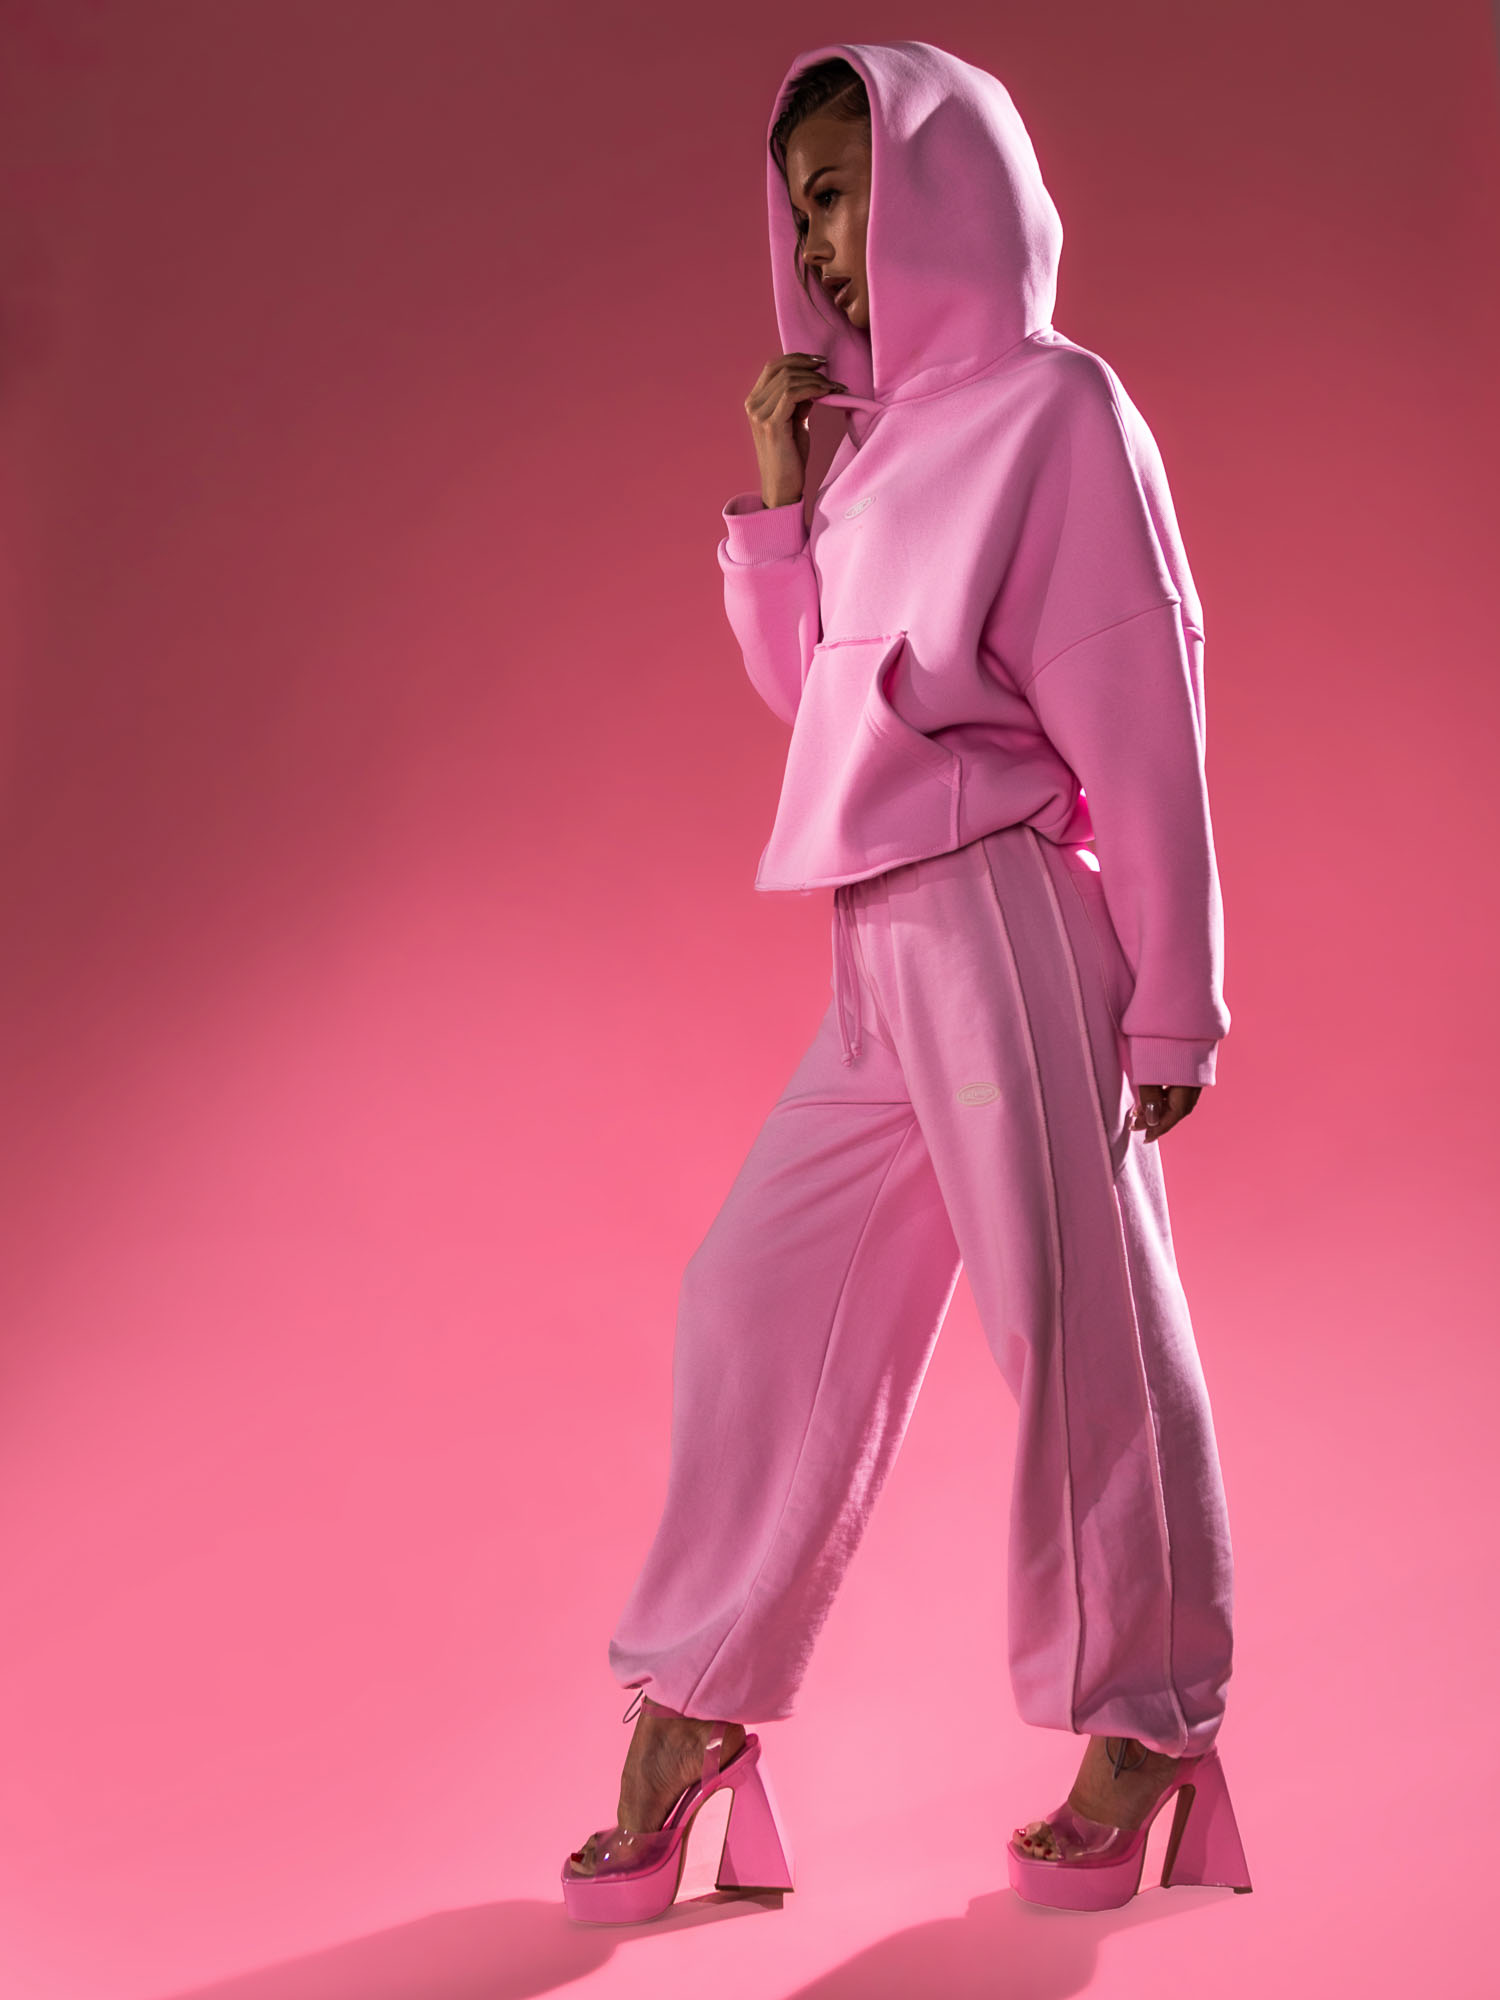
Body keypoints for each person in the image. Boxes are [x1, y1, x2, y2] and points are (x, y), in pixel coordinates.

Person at [561, 38, 1251, 1922]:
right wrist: (780, 504)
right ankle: (699, 1701)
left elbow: (1144, 702)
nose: (818, 246)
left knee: (1074, 1332)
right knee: (753, 1299)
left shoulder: (1058, 406)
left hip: (1006, 925)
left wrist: (1176, 991)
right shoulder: (869, 442)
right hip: (878, 940)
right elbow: (818, 712)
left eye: (840, 193)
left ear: (942, 183)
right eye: (798, 212)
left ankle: (1148, 1720)